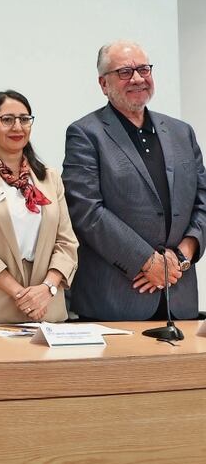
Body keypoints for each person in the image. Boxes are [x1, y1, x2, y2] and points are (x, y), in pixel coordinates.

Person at [63, 40, 206, 321]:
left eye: (143, 69)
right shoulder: (85, 134)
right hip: (115, 300)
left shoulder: (181, 132)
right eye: (125, 72)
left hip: (179, 295)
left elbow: (203, 200)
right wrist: (146, 261)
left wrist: (181, 256)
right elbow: (86, 210)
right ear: (104, 84)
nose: (138, 78)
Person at [0, 91, 78, 323]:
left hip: (46, 306)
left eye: (24, 119)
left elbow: (66, 243)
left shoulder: (50, 178)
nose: (17, 126)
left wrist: (47, 289)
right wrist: (22, 296)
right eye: (7, 119)